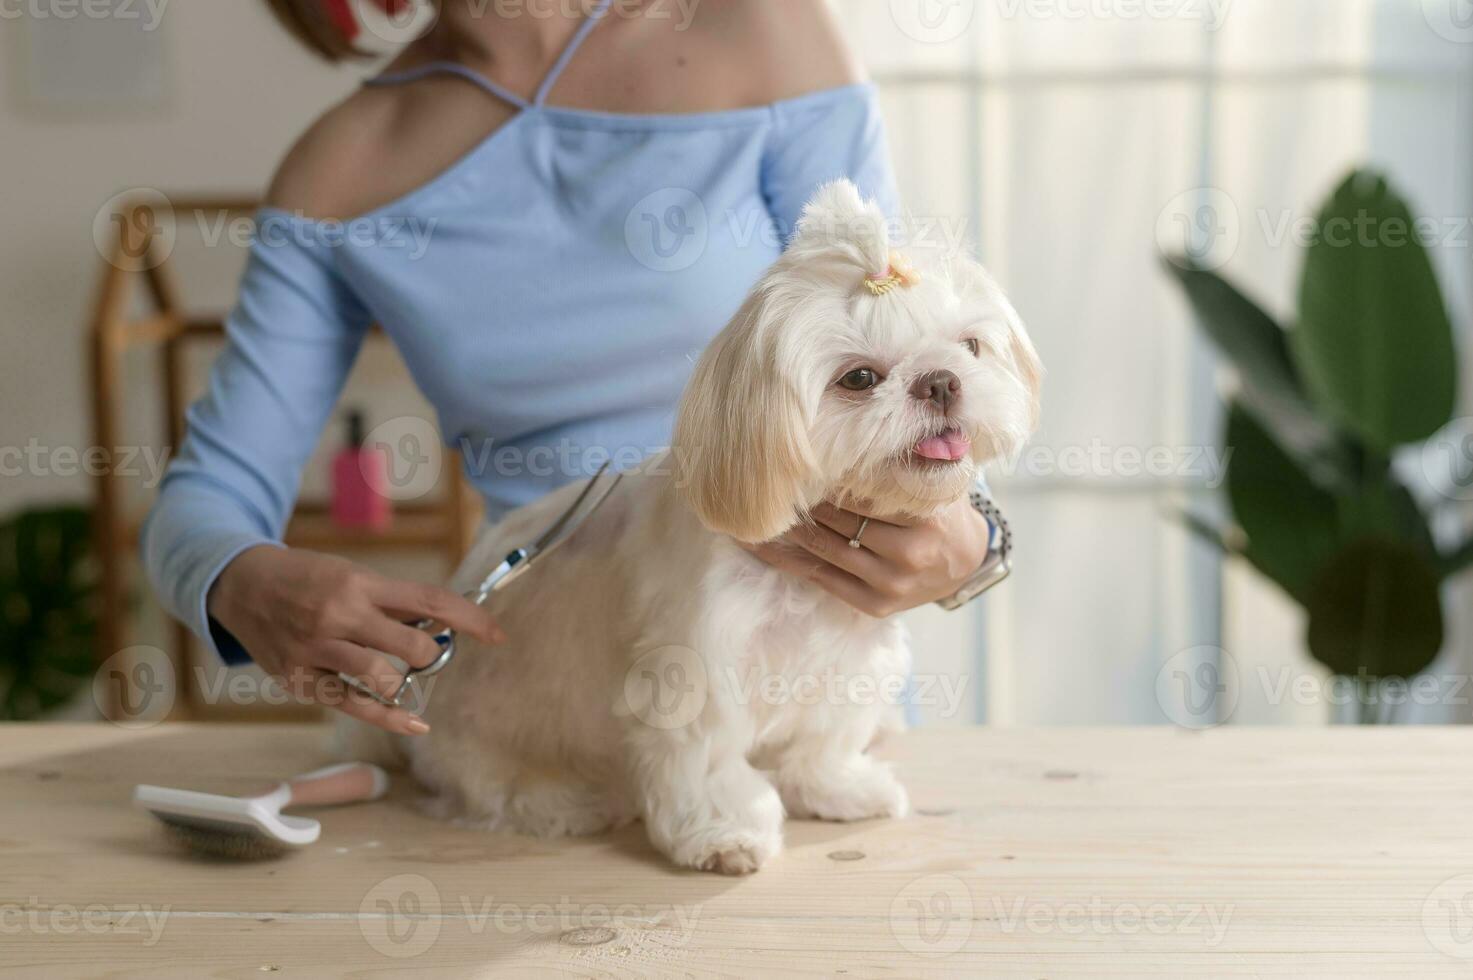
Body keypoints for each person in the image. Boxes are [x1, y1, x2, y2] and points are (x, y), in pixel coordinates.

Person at [143, 0, 993, 737]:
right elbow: (206, 496)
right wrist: (241, 581)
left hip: (796, 683)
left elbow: (905, 330)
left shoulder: (762, 27)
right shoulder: (337, 172)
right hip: (542, 696)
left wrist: (977, 536)